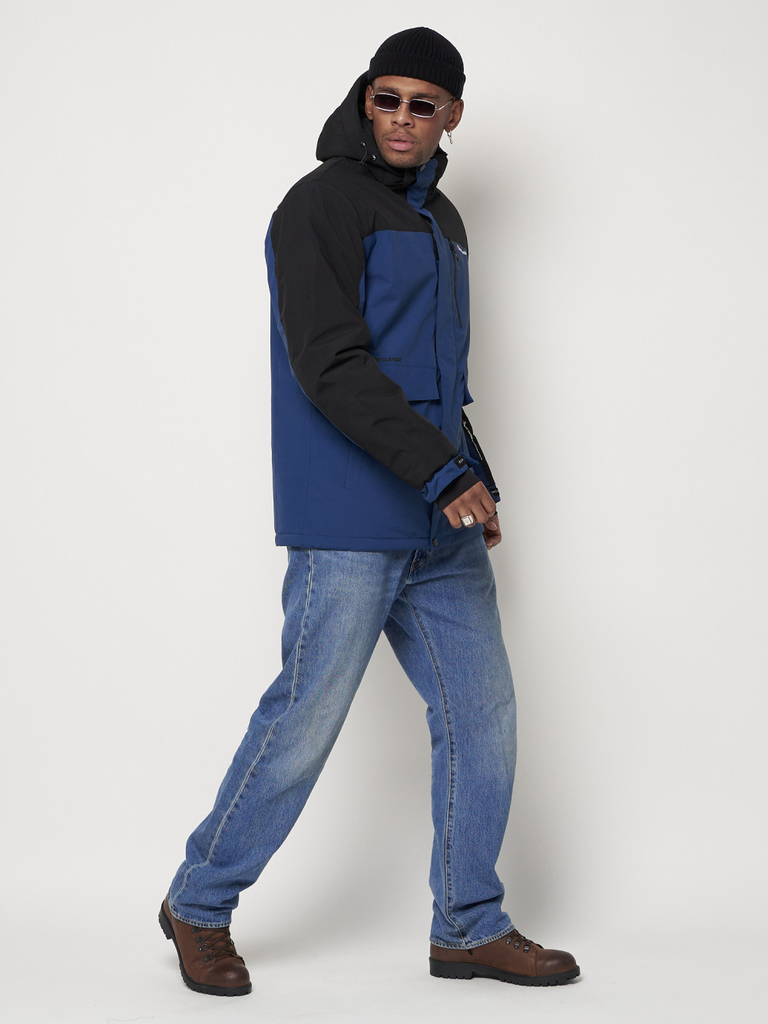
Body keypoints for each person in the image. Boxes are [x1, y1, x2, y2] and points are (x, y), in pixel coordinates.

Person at [159, 26, 579, 996]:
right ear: (364, 99)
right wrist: (440, 472)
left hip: (438, 516)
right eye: (386, 98)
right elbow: (333, 365)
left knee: (483, 718)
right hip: (349, 515)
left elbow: (439, 377)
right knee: (304, 720)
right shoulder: (318, 206)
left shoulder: (446, 221)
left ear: (452, 116)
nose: (400, 118)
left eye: (422, 105)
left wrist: (473, 479)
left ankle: (468, 924)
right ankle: (198, 903)